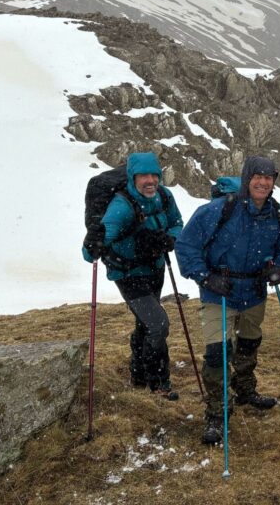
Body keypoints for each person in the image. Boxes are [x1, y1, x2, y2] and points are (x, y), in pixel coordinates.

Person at [176, 156, 280, 445]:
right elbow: (186, 245)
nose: (263, 182)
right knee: (217, 351)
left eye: (268, 177)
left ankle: (244, 389)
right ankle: (217, 412)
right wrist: (205, 277)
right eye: (257, 176)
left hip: (254, 291)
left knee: (249, 343)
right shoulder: (218, 210)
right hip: (219, 291)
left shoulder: (279, 215)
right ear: (247, 178)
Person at [98, 151, 183, 399]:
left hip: (155, 269)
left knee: (145, 324)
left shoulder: (165, 196)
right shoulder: (121, 206)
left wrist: (171, 238)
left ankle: (138, 375)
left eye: (154, 175)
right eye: (143, 175)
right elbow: (96, 244)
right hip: (128, 275)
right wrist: (95, 243)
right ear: (132, 177)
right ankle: (158, 383)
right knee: (158, 325)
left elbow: (177, 222)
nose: (150, 180)